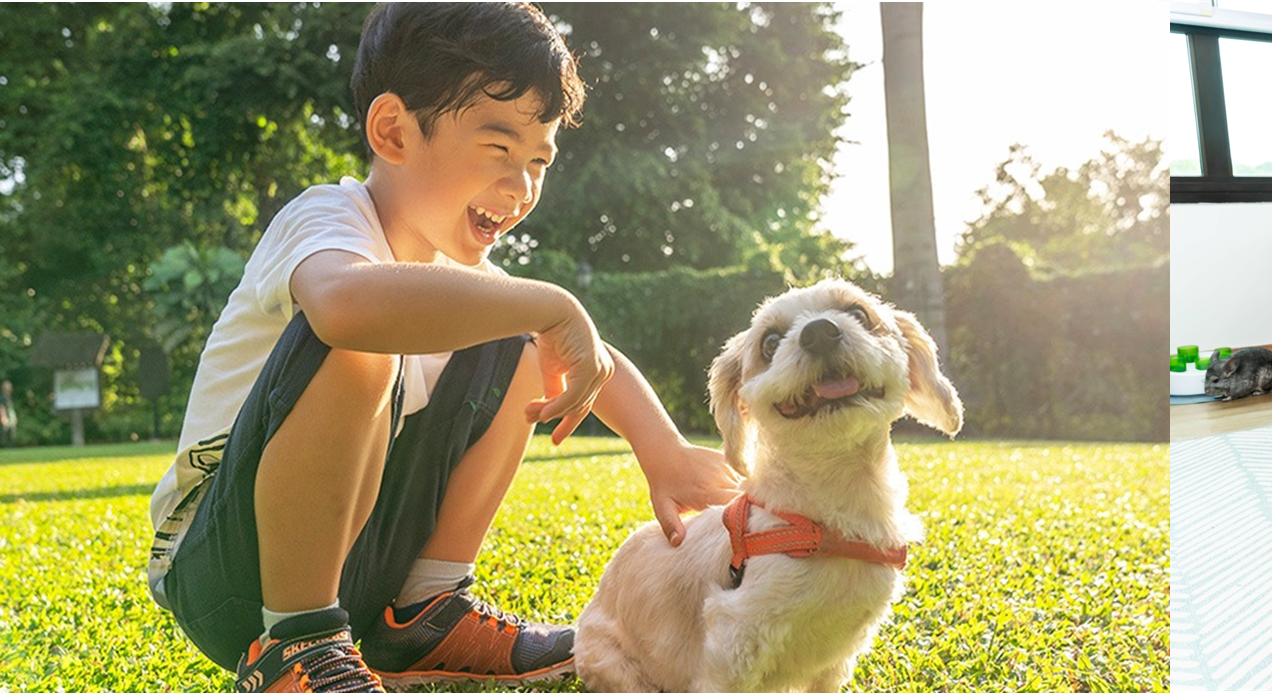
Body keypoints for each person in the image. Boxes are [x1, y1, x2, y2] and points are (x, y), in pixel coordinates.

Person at [144, 5, 742, 690]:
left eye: (538, 161)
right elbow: (344, 308)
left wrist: (661, 450)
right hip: (225, 573)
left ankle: (424, 611)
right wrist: (547, 302)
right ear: (394, 131)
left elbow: (583, 353)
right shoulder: (327, 219)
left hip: (358, 565)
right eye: (499, 149)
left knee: (517, 336)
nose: (521, 187)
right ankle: (295, 644)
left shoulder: (464, 283)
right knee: (364, 336)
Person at [0, 380, 15, 447]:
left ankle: (9, 446)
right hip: (5, 416)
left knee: (11, 432)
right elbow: (1, 407)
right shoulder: (2, 397)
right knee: (4, 431)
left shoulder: (8, 397)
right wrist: (3, 417)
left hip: (9, 415)